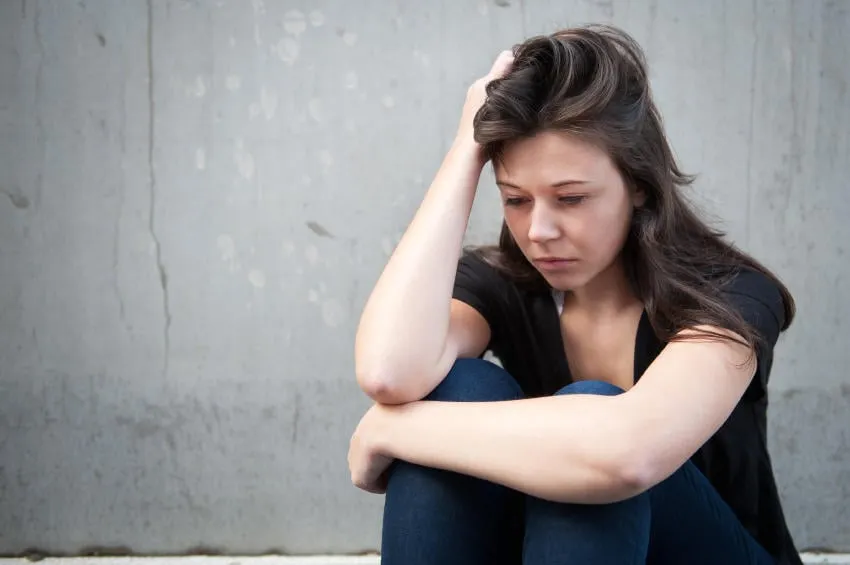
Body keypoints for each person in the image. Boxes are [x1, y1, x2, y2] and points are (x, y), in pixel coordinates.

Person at [348, 24, 801, 565]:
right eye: (515, 199)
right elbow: (390, 372)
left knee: (594, 426)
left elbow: (623, 456)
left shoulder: (731, 295)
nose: (538, 230)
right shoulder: (503, 283)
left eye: (571, 198)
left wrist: (393, 427)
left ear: (638, 183)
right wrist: (465, 152)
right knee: (461, 385)